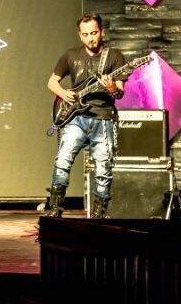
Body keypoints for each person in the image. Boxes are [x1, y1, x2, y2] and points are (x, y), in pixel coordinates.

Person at [44, 14, 125, 220]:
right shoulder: (70, 55)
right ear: (80, 35)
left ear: (102, 32)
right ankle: (55, 208)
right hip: (75, 118)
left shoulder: (114, 56)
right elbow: (52, 82)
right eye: (86, 34)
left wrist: (112, 88)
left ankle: (98, 214)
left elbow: (120, 93)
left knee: (103, 167)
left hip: (103, 118)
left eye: (94, 33)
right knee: (63, 159)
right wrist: (63, 93)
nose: (91, 38)